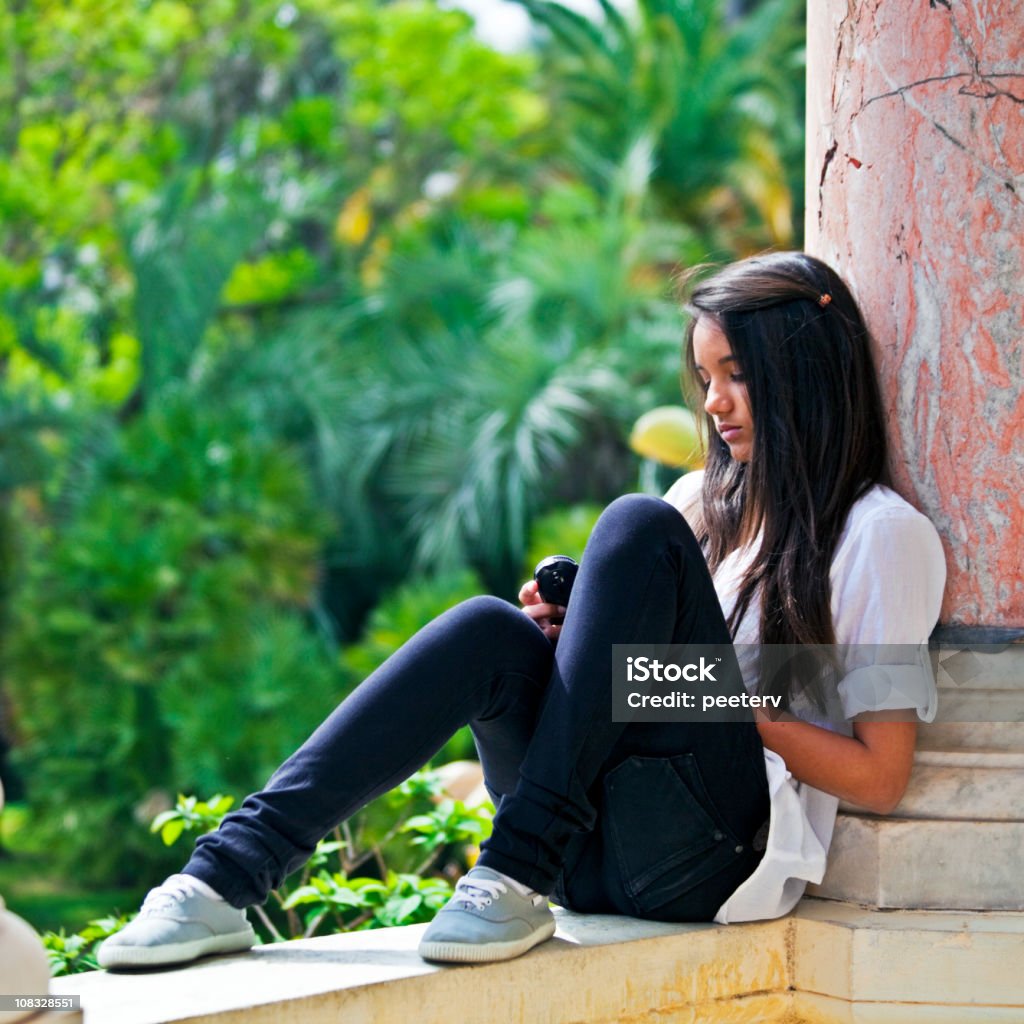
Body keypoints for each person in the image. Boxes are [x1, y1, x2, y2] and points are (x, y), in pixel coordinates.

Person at [98, 251, 945, 970]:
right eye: (706, 377)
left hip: (705, 862)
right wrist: (576, 641)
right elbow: (646, 690)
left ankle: (511, 871)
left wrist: (725, 697)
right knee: (492, 631)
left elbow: (880, 772)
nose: (714, 403)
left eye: (739, 376)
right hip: (593, 845)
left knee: (633, 524)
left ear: (804, 376)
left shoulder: (880, 537)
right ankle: (224, 877)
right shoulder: (702, 501)